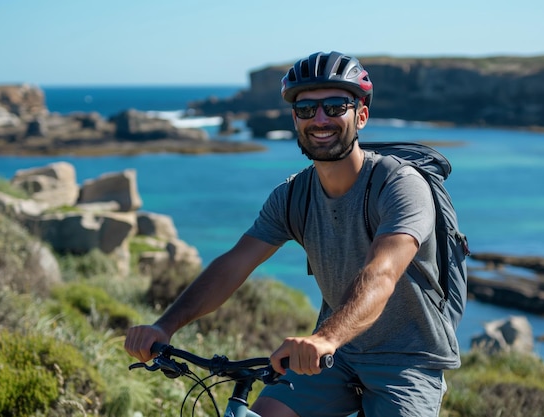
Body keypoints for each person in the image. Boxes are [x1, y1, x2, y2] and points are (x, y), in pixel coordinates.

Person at [125, 51, 461, 417]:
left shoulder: (398, 185)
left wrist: (325, 338)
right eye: (306, 110)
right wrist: (164, 326)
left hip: (408, 361)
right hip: (336, 357)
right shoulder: (292, 197)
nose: (319, 119)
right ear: (294, 119)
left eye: (335, 107)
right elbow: (234, 264)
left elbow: (381, 273)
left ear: (360, 116)